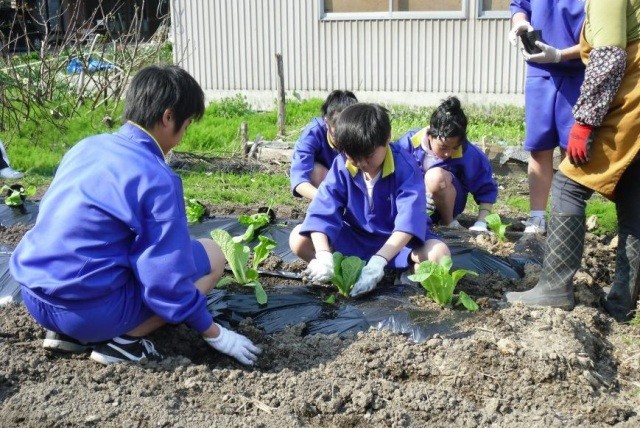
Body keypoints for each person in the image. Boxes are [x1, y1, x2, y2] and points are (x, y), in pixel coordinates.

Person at [9, 65, 261, 365]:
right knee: (214, 255)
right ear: (169, 117)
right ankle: (124, 344)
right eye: (188, 124)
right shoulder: (157, 178)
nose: (183, 135)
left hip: (35, 298)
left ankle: (67, 335)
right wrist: (213, 331)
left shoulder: (86, 146)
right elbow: (166, 280)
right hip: (87, 314)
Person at [506, 0, 640, 322]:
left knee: (568, 184)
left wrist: (584, 122)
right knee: (633, 194)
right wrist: (556, 54)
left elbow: (609, 56)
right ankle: (622, 301)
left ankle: (553, 287)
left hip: (632, 96)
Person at [289, 103, 450, 298]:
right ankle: (342, 276)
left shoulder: (405, 167)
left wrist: (378, 262)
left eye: (368, 156)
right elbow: (322, 210)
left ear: (387, 137)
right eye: (354, 157)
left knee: (439, 255)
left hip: (396, 243)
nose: (362, 164)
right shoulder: (342, 165)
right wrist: (323, 255)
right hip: (355, 238)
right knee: (298, 239)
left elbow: (408, 224)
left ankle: (399, 274)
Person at [509, 0, 585, 234]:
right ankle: (537, 217)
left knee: (570, 149)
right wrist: (520, 24)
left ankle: (566, 221)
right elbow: (520, 5)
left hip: (578, 71)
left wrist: (560, 55)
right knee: (539, 147)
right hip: (540, 70)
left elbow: (601, 42)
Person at [394, 96, 498, 233]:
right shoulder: (408, 144)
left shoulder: (468, 153)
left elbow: (486, 189)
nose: (448, 153)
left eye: (454, 148)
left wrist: (481, 223)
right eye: (443, 147)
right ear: (430, 134)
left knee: (435, 177)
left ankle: (449, 224)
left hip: (449, 202)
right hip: (411, 203)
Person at [290, 90, 358, 200]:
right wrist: (326, 200)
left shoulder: (362, 131)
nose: (344, 140)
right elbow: (299, 179)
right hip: (326, 184)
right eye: (338, 134)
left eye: (349, 134)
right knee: (315, 171)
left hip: (356, 184)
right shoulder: (313, 133)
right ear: (327, 123)